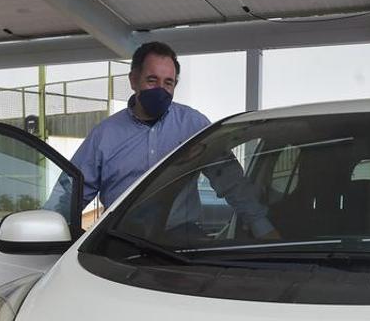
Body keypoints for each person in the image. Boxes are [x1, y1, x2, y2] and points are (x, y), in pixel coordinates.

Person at [44, 41, 276, 238]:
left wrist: (262, 227)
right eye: (152, 80)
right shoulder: (104, 135)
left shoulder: (193, 126)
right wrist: (44, 232)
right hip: (121, 241)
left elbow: (229, 179)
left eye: (168, 83)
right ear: (134, 80)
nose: (161, 90)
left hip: (181, 241)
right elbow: (70, 194)